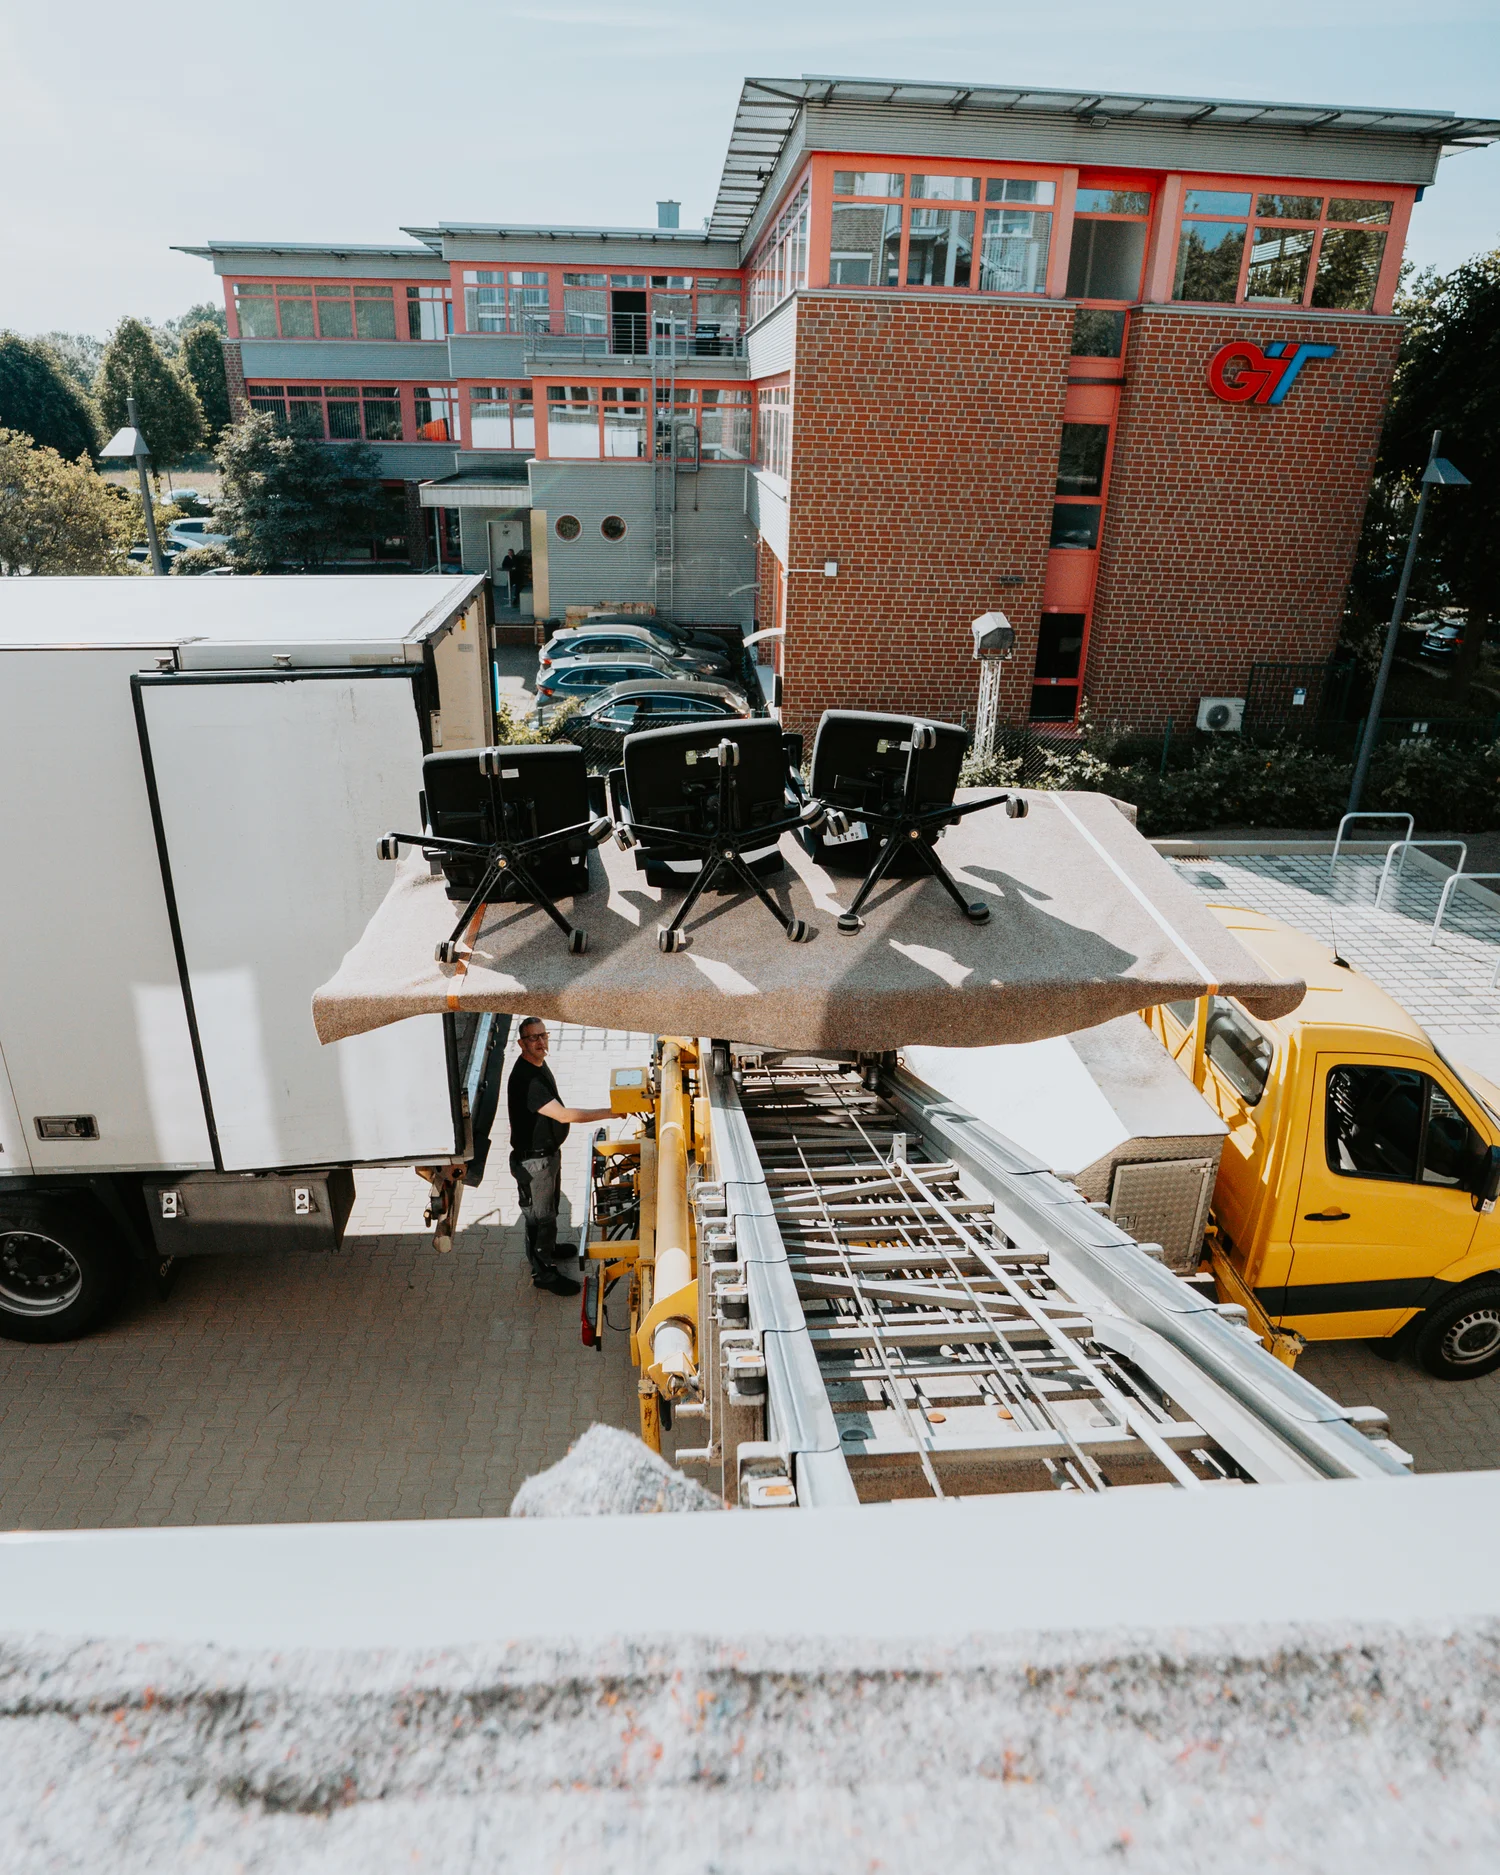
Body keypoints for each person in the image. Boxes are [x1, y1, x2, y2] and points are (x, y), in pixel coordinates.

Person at [507, 1017, 612, 1296]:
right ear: (521, 1043)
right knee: (539, 1218)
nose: (540, 1042)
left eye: (543, 1035)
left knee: (549, 1212)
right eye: (533, 1038)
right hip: (534, 1162)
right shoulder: (527, 1079)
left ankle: (550, 1249)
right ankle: (543, 1273)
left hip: (547, 1155)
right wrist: (611, 1111)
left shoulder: (538, 1064)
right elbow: (565, 1115)